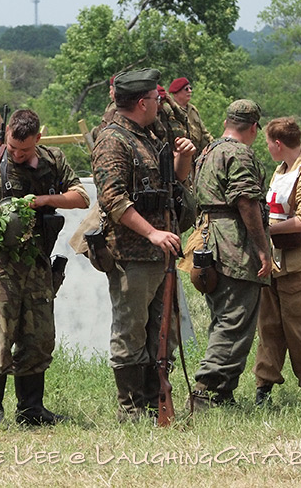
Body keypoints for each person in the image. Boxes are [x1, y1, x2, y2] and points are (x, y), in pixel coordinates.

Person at [0, 109, 89, 426]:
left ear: (38, 138)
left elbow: (81, 198)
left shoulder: (54, 161)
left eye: (24, 150)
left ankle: (31, 409)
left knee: (39, 337)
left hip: (38, 264)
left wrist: (42, 201)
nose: (17, 154)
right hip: (1, 264)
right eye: (13, 148)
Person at [90, 69, 194, 421]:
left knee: (164, 330)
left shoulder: (149, 136)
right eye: (155, 99)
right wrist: (151, 232)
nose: (159, 103)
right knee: (131, 329)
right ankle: (132, 407)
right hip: (132, 253)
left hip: (162, 250)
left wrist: (184, 159)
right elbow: (113, 199)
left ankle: (155, 400)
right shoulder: (113, 140)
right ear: (140, 102)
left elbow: (172, 184)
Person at [190, 99, 271, 411]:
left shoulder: (207, 151)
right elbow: (246, 201)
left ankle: (222, 393)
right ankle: (206, 392)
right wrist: (262, 249)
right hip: (232, 242)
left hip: (208, 238)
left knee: (223, 317)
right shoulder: (238, 152)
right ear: (252, 127)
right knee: (234, 320)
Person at [253, 117, 301, 405]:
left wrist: (266, 229)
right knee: (270, 325)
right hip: (274, 261)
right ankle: (264, 385)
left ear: (277, 143)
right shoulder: (280, 170)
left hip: (299, 259)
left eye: (268, 143)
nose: (267, 148)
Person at [167, 77, 213, 164]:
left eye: (190, 88)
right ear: (176, 93)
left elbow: (204, 132)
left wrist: (213, 146)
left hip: (196, 157)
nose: (190, 91)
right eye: (186, 89)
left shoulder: (193, 109)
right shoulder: (168, 110)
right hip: (178, 158)